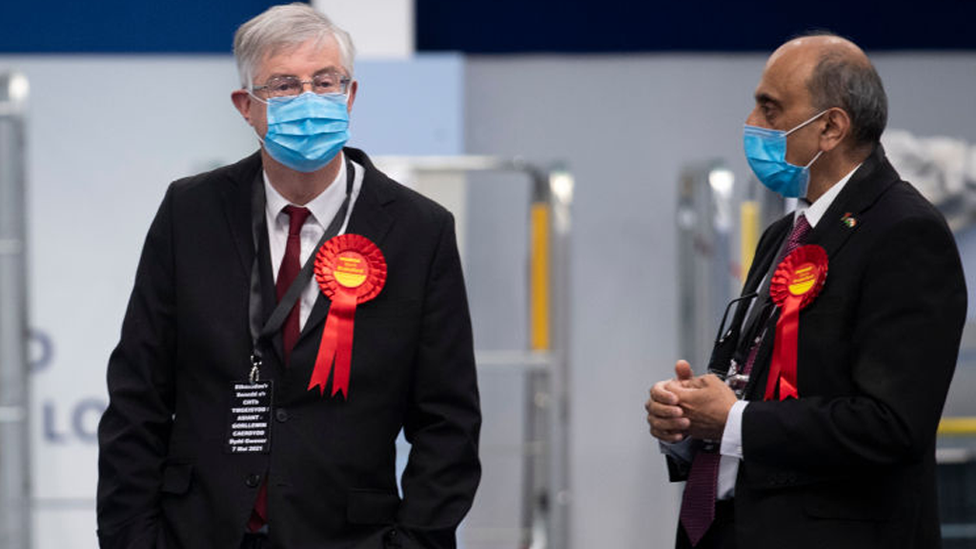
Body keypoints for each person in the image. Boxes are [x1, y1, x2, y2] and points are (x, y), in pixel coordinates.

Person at [96, 4, 481, 548]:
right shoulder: (191, 212)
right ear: (246, 108)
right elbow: (138, 399)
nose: (309, 100)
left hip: (352, 537)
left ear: (349, 97)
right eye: (283, 86)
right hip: (197, 533)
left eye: (325, 82)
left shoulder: (420, 230)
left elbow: (449, 422)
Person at [645, 32, 966, 549]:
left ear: (831, 127)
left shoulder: (905, 232)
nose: (752, 124)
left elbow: (891, 424)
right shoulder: (788, 232)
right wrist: (694, 419)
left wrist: (734, 419)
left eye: (770, 109)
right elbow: (759, 387)